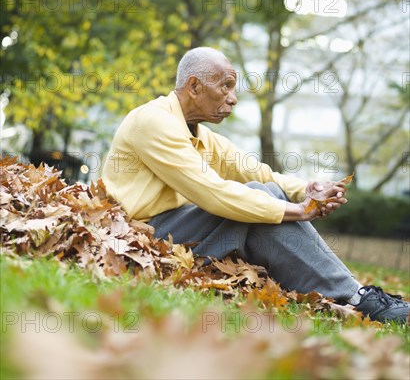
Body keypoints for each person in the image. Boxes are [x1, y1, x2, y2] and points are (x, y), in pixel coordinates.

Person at [102, 47, 409, 323]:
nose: (233, 99)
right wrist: (297, 211)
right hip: (141, 240)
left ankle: (355, 294)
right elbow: (213, 193)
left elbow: (260, 174)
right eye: (225, 86)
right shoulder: (153, 121)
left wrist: (307, 190)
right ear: (194, 86)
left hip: (177, 232)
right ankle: (356, 297)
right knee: (261, 201)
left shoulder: (200, 135)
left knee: (266, 193)